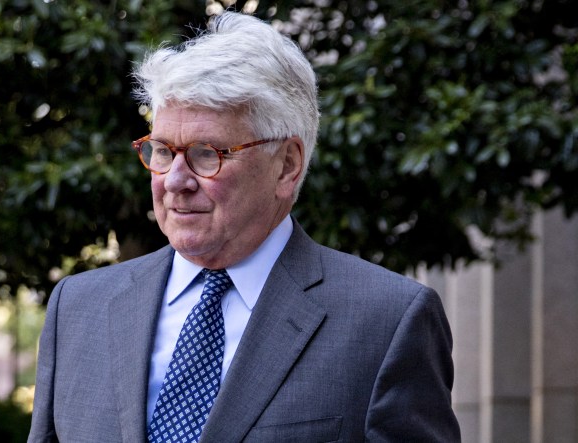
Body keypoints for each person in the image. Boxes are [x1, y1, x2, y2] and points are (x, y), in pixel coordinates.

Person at [27, 11, 460, 443]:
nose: (175, 181)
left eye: (206, 153)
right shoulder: (77, 309)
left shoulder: (387, 322)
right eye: (162, 151)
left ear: (287, 165)